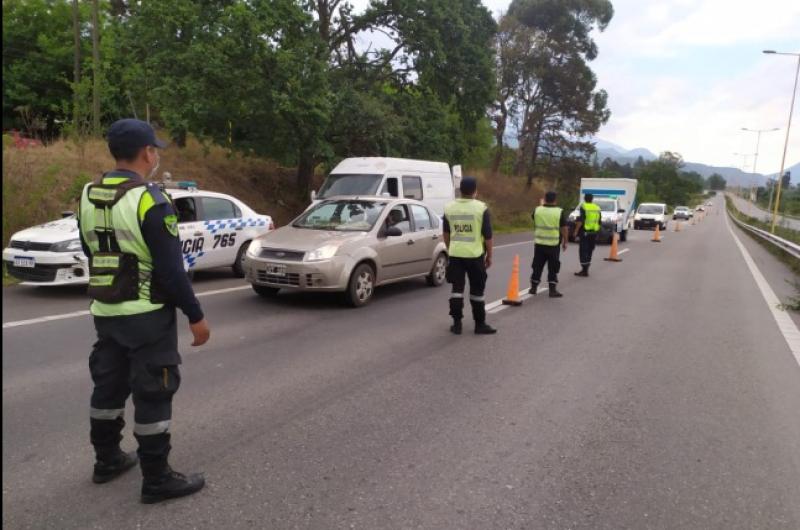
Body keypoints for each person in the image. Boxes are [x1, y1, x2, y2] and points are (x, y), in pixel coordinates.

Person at [77, 118, 210, 504]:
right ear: (148, 153)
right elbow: (171, 269)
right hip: (147, 314)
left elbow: (91, 250)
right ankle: (157, 479)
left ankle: (107, 461)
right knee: (153, 391)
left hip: (105, 309)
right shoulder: (150, 199)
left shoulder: (87, 193)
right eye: (155, 149)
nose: (156, 155)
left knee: (109, 384)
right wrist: (196, 315)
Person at [443, 177, 497, 335]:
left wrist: (450, 248)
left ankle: (457, 324)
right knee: (477, 291)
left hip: (456, 255)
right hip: (475, 255)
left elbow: (446, 234)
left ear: (460, 190)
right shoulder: (481, 208)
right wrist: (490, 256)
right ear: (475, 191)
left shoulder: (449, 208)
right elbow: (488, 236)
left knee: (456, 290)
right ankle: (480, 324)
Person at [530, 191, 569, 298]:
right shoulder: (559, 212)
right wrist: (565, 241)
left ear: (545, 199)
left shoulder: (537, 210)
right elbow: (564, 228)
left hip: (539, 244)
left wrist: (541, 205)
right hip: (553, 245)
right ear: (555, 200)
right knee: (553, 267)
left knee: (537, 266)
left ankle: (533, 287)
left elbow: (534, 218)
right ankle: (552, 290)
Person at [572, 193, 602, 277]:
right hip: (594, 232)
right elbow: (599, 221)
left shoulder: (584, 207)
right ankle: (586, 269)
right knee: (590, 250)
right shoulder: (597, 208)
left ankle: (584, 270)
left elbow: (580, 221)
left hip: (585, 232)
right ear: (592, 199)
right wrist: (597, 231)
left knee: (583, 251)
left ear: (585, 199)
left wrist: (576, 231)